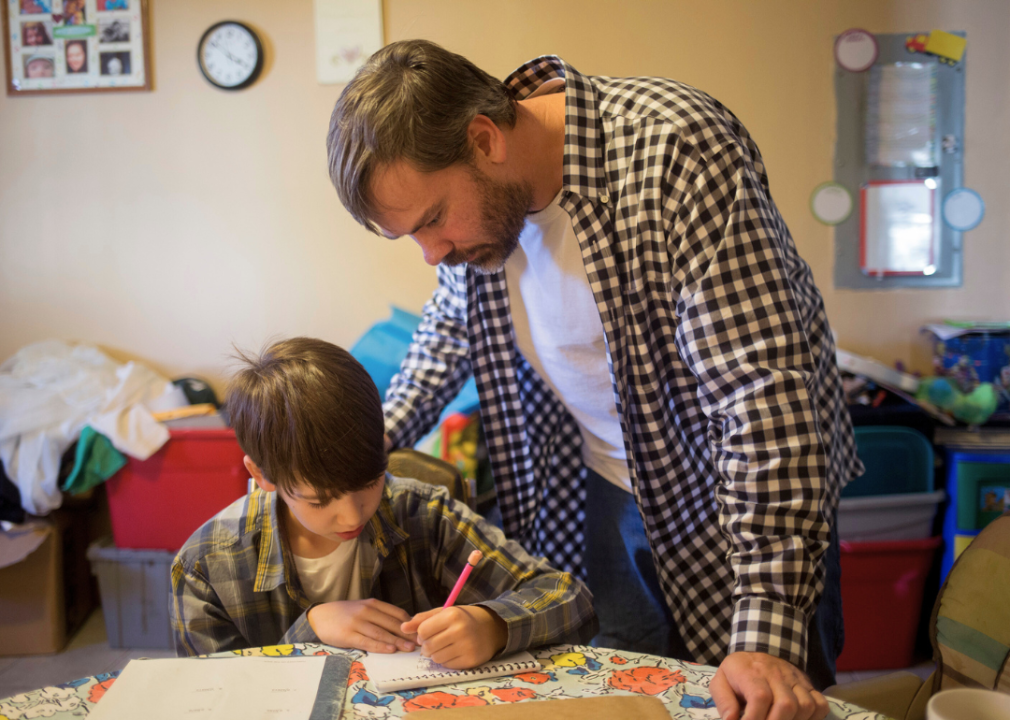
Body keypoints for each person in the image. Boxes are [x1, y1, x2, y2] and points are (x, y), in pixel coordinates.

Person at [326, 40, 863, 720]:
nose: (434, 254)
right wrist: (351, 454)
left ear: (484, 138)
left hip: (742, 504)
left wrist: (767, 629)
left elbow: (763, 402)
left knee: (761, 697)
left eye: (432, 220)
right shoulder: (481, 215)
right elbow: (447, 333)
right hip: (605, 493)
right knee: (633, 697)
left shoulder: (675, 150)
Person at [170, 338, 597, 667]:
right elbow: (210, 697)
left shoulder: (420, 512)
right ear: (262, 475)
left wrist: (493, 626)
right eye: (320, 500)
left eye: (370, 482)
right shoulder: (207, 566)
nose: (353, 514)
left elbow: (570, 598)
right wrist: (312, 629)